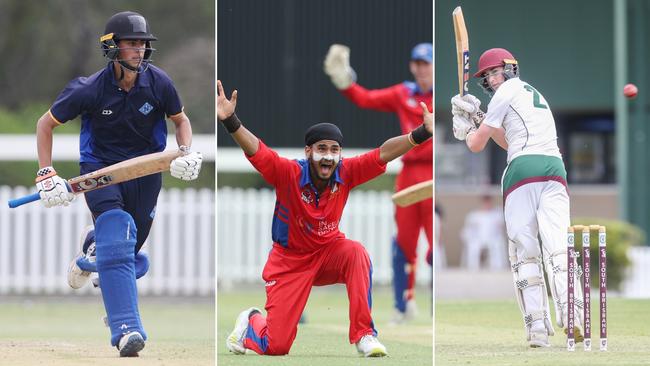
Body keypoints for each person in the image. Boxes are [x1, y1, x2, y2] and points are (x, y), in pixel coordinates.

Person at [217, 79, 432, 357]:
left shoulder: (347, 172)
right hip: (290, 263)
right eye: (322, 149)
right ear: (309, 152)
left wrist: (420, 133)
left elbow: (384, 152)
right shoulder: (288, 173)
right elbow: (256, 149)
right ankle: (251, 322)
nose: (328, 157)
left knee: (356, 253)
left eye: (334, 150)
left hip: (329, 253)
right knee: (276, 346)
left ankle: (364, 335)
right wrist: (230, 120)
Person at [35, 11, 202, 357]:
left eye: (142, 44)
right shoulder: (89, 89)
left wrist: (186, 151)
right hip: (100, 170)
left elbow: (181, 120)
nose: (139, 51)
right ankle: (127, 330)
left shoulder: (159, 83)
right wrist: (46, 173)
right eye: (131, 44)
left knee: (128, 253)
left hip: (145, 172)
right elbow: (44, 125)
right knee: (118, 232)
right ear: (112, 47)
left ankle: (90, 252)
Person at [450, 48, 583, 347]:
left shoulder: (505, 91)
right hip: (555, 170)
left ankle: (537, 328)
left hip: (523, 170)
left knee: (524, 250)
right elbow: (507, 139)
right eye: (486, 77)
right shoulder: (531, 92)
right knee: (559, 245)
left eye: (493, 73)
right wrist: (480, 117)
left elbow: (475, 145)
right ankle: (575, 316)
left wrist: (465, 126)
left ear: (509, 69)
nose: (490, 81)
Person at [323, 43, 433, 324]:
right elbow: (365, 98)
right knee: (405, 243)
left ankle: (437, 306)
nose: (422, 69)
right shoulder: (403, 93)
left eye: (427, 64)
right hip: (409, 172)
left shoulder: (447, 95)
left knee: (435, 247)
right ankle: (403, 304)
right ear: (412, 66)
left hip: (434, 173)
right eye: (418, 64)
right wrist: (344, 79)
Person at [460, 195, 507, 270]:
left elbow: (501, 227)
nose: (487, 204)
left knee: (497, 244)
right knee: (473, 246)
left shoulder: (497, 214)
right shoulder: (474, 215)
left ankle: (498, 267)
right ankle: (473, 267)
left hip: (493, 238)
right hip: (477, 239)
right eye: (485, 202)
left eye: (488, 202)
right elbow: (469, 229)